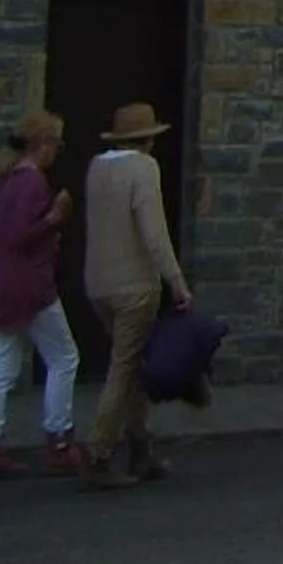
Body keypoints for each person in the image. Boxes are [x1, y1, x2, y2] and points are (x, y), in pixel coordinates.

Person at [0, 107, 83, 479]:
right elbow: (22, 237)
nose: (57, 151)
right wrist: (54, 219)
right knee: (64, 357)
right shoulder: (33, 183)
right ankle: (59, 439)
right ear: (41, 144)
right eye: (56, 143)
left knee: (0, 367)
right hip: (30, 286)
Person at [80, 100, 190, 490]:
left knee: (131, 365)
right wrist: (175, 280)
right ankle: (99, 452)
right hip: (135, 285)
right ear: (148, 140)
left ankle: (141, 447)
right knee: (124, 368)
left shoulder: (97, 168)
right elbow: (154, 233)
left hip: (98, 283)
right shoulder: (144, 169)